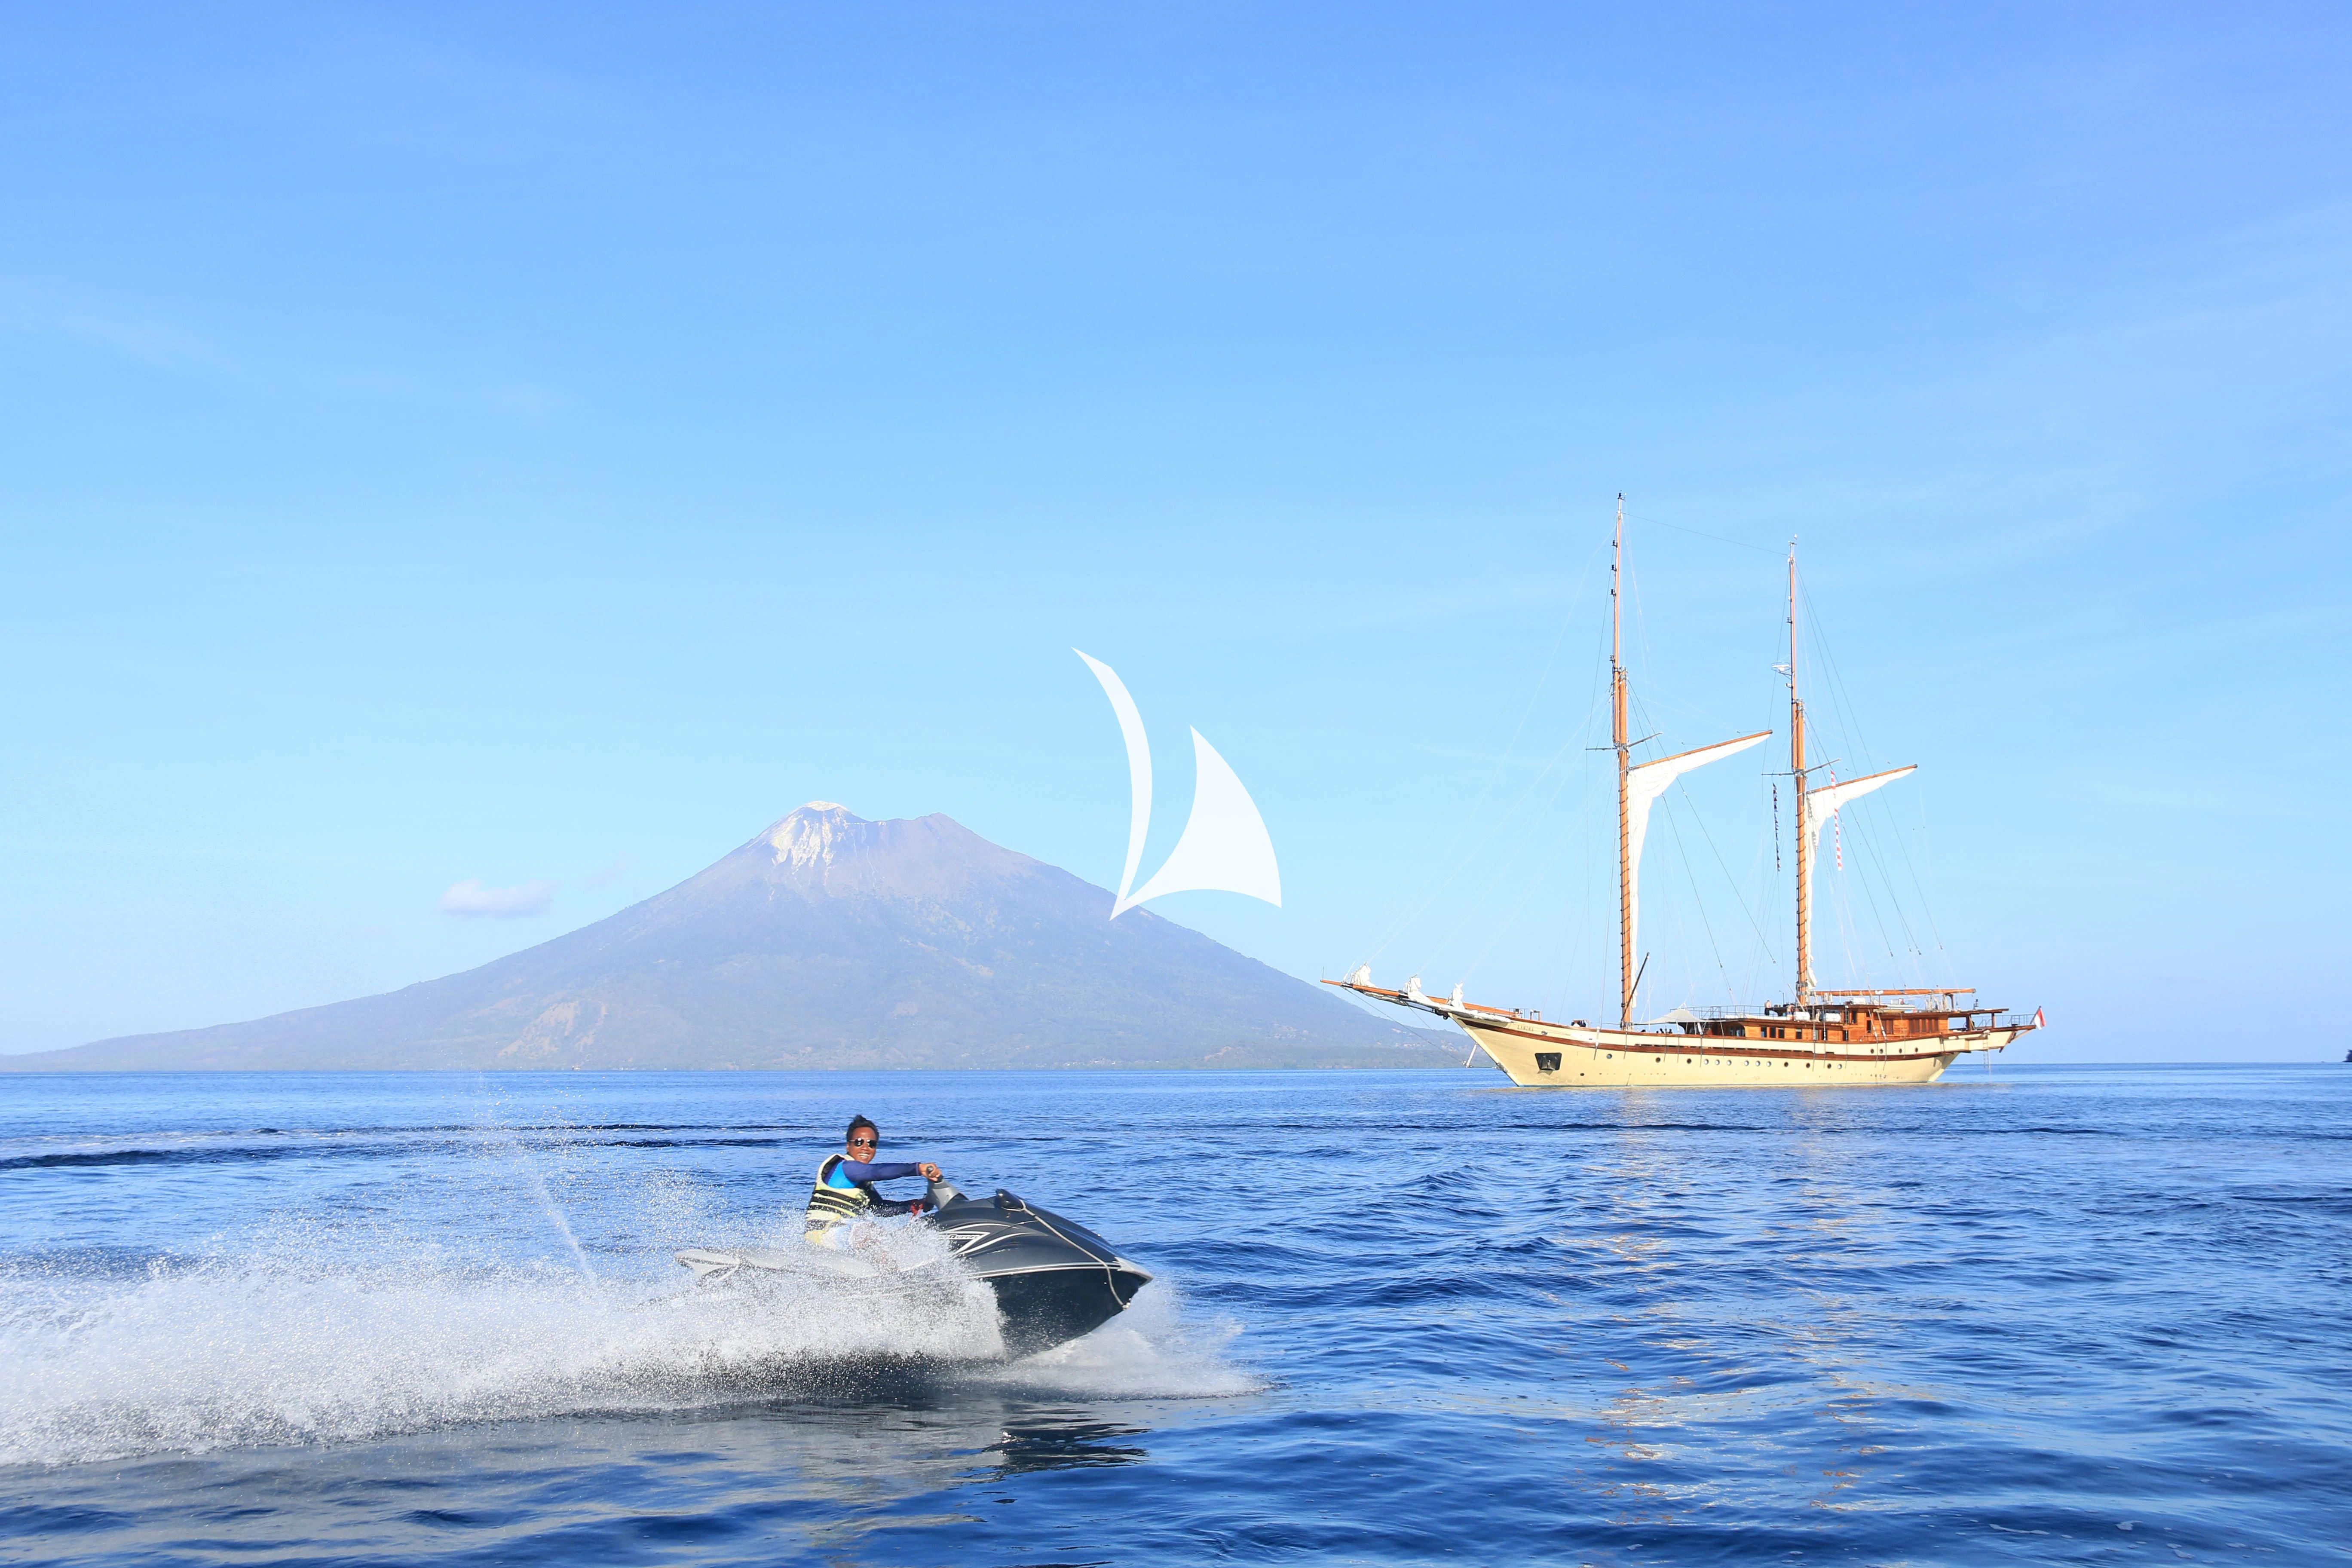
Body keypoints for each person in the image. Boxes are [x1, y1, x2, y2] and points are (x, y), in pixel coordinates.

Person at [804, 1116, 945, 1247]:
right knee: (870, 1230)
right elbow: (877, 1172)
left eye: (871, 1144)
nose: (865, 1147)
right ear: (848, 1146)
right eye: (859, 1142)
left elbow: (879, 1209)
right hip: (823, 1233)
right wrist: (918, 1168)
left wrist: (913, 1205)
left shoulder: (862, 1182)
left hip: (840, 1234)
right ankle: (890, 1267)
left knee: (888, 1235)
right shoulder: (845, 1168)